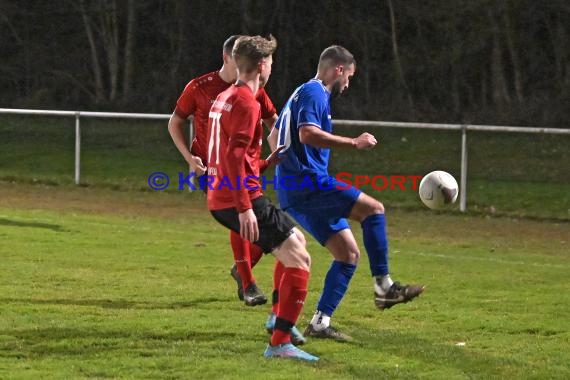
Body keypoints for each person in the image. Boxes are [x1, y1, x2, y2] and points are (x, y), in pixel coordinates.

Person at [272, 45, 425, 341]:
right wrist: (354, 143)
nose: (348, 83)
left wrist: (285, 167)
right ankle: (384, 287)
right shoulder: (317, 92)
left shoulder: (298, 92)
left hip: (294, 188)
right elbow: (306, 133)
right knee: (374, 209)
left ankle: (319, 323)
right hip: (309, 183)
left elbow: (274, 136)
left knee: (348, 254)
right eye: (350, 76)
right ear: (338, 69)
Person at [206, 35, 318, 361]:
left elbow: (234, 155)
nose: (272, 67)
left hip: (224, 194)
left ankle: (276, 319)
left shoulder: (225, 96)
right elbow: (231, 155)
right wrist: (244, 207)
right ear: (260, 65)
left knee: (294, 241)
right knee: (300, 258)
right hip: (237, 197)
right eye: (270, 62)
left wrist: (266, 163)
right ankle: (280, 343)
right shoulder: (246, 102)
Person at [168, 35, 275, 307]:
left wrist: (278, 154)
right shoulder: (200, 87)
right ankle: (248, 283)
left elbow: (273, 119)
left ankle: (242, 270)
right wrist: (191, 160)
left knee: (272, 231)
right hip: (213, 170)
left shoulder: (252, 89)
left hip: (246, 169)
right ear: (228, 57)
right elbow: (175, 122)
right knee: (242, 218)